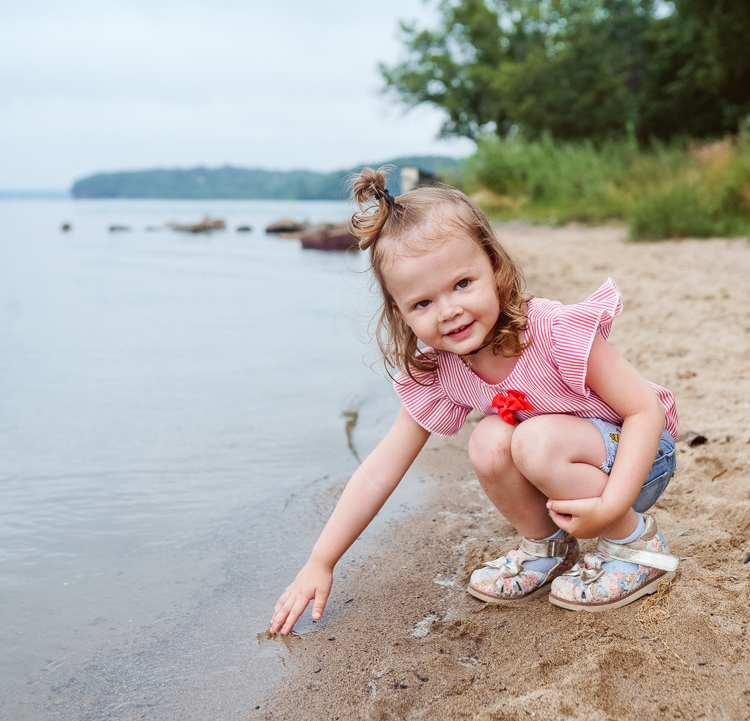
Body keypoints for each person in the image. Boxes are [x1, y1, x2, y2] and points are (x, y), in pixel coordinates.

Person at [270, 168, 680, 634]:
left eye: (462, 284)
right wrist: (320, 561)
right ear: (399, 313)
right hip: (565, 464)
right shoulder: (443, 370)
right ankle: (547, 549)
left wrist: (613, 506)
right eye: (422, 304)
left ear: (494, 267)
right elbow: (380, 468)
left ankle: (637, 545)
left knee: (532, 439)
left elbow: (644, 410)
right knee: (489, 439)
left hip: (640, 458)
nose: (449, 311)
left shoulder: (549, 330)